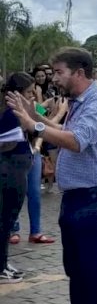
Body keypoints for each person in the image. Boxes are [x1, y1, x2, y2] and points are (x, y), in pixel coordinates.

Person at [7, 48, 97, 304]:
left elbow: (77, 141)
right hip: (77, 196)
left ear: (79, 73)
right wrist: (37, 117)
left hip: (95, 196)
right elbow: (63, 133)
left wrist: (34, 124)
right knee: (77, 269)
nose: (53, 77)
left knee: (93, 271)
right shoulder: (80, 102)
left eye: (58, 72)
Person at [10, 76, 62, 246]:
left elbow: (45, 122)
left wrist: (38, 146)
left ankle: (36, 231)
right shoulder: (7, 107)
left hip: (33, 152)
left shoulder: (32, 106)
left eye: (34, 91)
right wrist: (58, 114)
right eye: (28, 92)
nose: (32, 95)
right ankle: (13, 229)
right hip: (13, 156)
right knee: (15, 194)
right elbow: (29, 126)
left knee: (35, 194)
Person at [1, 73, 36, 282]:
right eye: (29, 92)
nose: (32, 96)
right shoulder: (10, 113)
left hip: (18, 169)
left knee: (8, 218)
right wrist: (27, 121)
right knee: (5, 219)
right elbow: (10, 139)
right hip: (9, 170)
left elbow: (41, 116)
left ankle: (3, 262)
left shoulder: (20, 111)